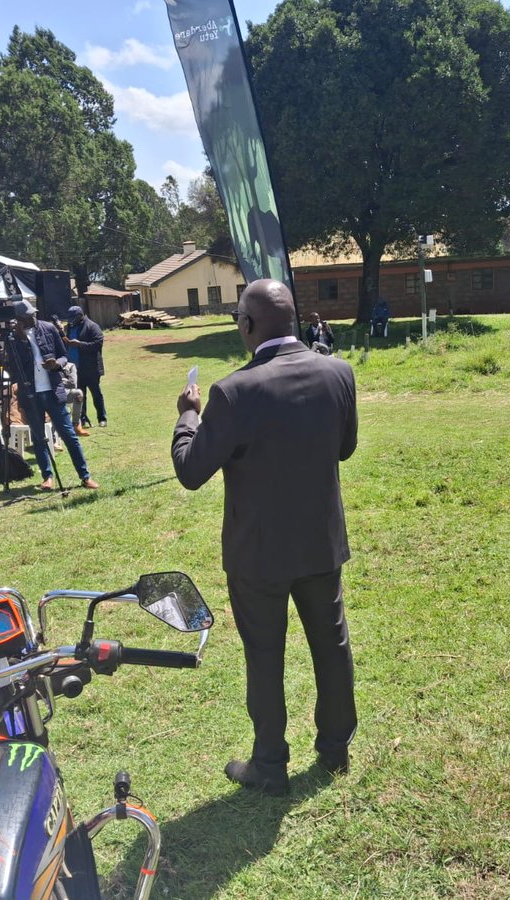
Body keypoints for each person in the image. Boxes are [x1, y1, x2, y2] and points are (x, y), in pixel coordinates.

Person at [171, 278, 359, 795]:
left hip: (258, 553)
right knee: (331, 643)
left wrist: (188, 417)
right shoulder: (338, 373)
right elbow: (344, 449)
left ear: (248, 325)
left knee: (265, 656)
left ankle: (269, 766)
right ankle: (336, 748)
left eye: (237, 319)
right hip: (320, 542)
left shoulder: (233, 391)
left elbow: (190, 471)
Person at [4, 299, 99, 490]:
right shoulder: (13, 339)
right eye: (29, 316)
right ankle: (47, 477)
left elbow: (64, 355)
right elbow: (13, 369)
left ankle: (85, 476)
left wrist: (57, 364)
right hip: (31, 396)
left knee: (69, 436)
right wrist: (21, 340)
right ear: (20, 319)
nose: (34, 317)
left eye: (33, 313)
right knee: (39, 439)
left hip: (53, 392)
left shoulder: (48, 328)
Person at [64, 305, 107, 427]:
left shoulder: (92, 326)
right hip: (75, 369)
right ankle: (83, 419)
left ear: (80, 316)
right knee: (80, 395)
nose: (71, 321)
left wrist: (80, 344)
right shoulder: (70, 328)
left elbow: (97, 344)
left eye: (73, 318)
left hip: (91, 368)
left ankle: (102, 418)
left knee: (96, 394)